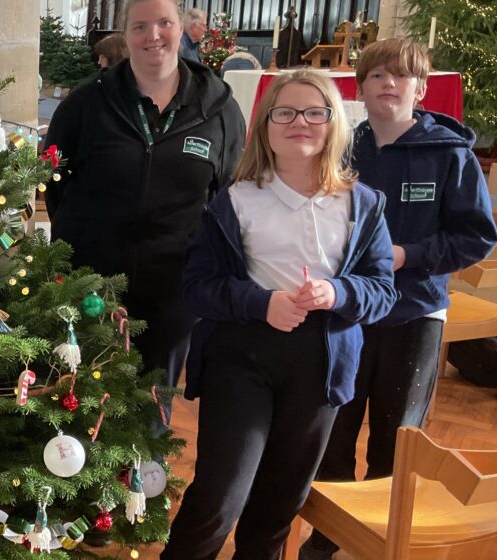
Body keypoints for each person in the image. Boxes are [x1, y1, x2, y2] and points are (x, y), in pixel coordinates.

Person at [161, 69, 399, 559]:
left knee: (278, 503)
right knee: (221, 496)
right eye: (285, 112)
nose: (300, 122)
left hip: (321, 364)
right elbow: (197, 288)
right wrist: (260, 302)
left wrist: (337, 293)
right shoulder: (235, 200)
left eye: (315, 112)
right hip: (243, 356)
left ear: (334, 124)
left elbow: (382, 290)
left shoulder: (362, 204)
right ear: (265, 125)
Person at [299, 38, 497, 560]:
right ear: (360, 87)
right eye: (378, 76)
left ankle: (383, 535)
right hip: (346, 312)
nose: (389, 84)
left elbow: (477, 236)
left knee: (398, 431)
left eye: (401, 76)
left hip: (415, 313)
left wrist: (407, 255)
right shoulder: (340, 148)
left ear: (421, 88)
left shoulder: (449, 153)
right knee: (335, 424)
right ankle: (330, 533)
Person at [43, 0, 244, 413]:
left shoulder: (220, 108)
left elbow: (229, 194)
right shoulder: (85, 104)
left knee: (151, 406)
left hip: (173, 288)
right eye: (140, 27)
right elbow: (54, 181)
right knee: (79, 396)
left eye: (164, 23)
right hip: (91, 281)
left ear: (180, 27)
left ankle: (143, 478)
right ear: (125, 34)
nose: (153, 36)